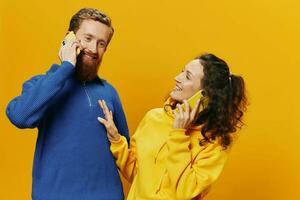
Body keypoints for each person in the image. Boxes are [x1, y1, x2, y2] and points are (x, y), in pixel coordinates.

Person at [6, 8, 129, 200]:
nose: (94, 49)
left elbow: (127, 154)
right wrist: (65, 68)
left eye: (101, 43)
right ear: (69, 38)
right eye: (87, 38)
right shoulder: (42, 84)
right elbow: (19, 116)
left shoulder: (109, 92)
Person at [98, 53, 247, 200]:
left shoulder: (215, 142)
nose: (177, 78)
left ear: (205, 96)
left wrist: (178, 134)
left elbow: (186, 192)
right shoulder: (153, 118)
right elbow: (137, 174)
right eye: (182, 71)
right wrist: (116, 140)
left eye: (187, 76)